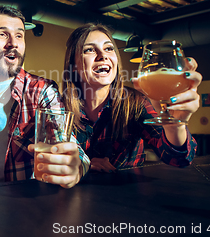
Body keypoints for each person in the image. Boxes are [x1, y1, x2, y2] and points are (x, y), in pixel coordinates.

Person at [0, 6, 90, 188]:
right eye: (2, 34)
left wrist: (75, 166)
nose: (13, 43)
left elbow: (69, 144)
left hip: (19, 198)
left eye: (19, 35)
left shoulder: (41, 90)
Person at [61, 23, 199, 172]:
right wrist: (83, 165)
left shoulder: (136, 103)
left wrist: (175, 125)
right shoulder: (58, 107)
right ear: (73, 65)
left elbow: (178, 159)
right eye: (89, 50)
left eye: (108, 48)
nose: (103, 55)